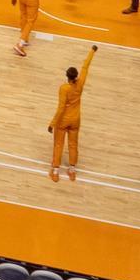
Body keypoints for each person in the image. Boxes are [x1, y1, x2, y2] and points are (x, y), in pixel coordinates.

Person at [46, 45, 96, 180]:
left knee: (58, 144)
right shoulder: (80, 84)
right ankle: (72, 169)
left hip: (63, 120)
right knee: (73, 144)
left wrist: (52, 123)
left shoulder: (64, 88)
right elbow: (86, 67)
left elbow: (61, 108)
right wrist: (92, 51)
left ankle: (55, 170)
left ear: (67, 76)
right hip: (76, 119)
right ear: (76, 76)